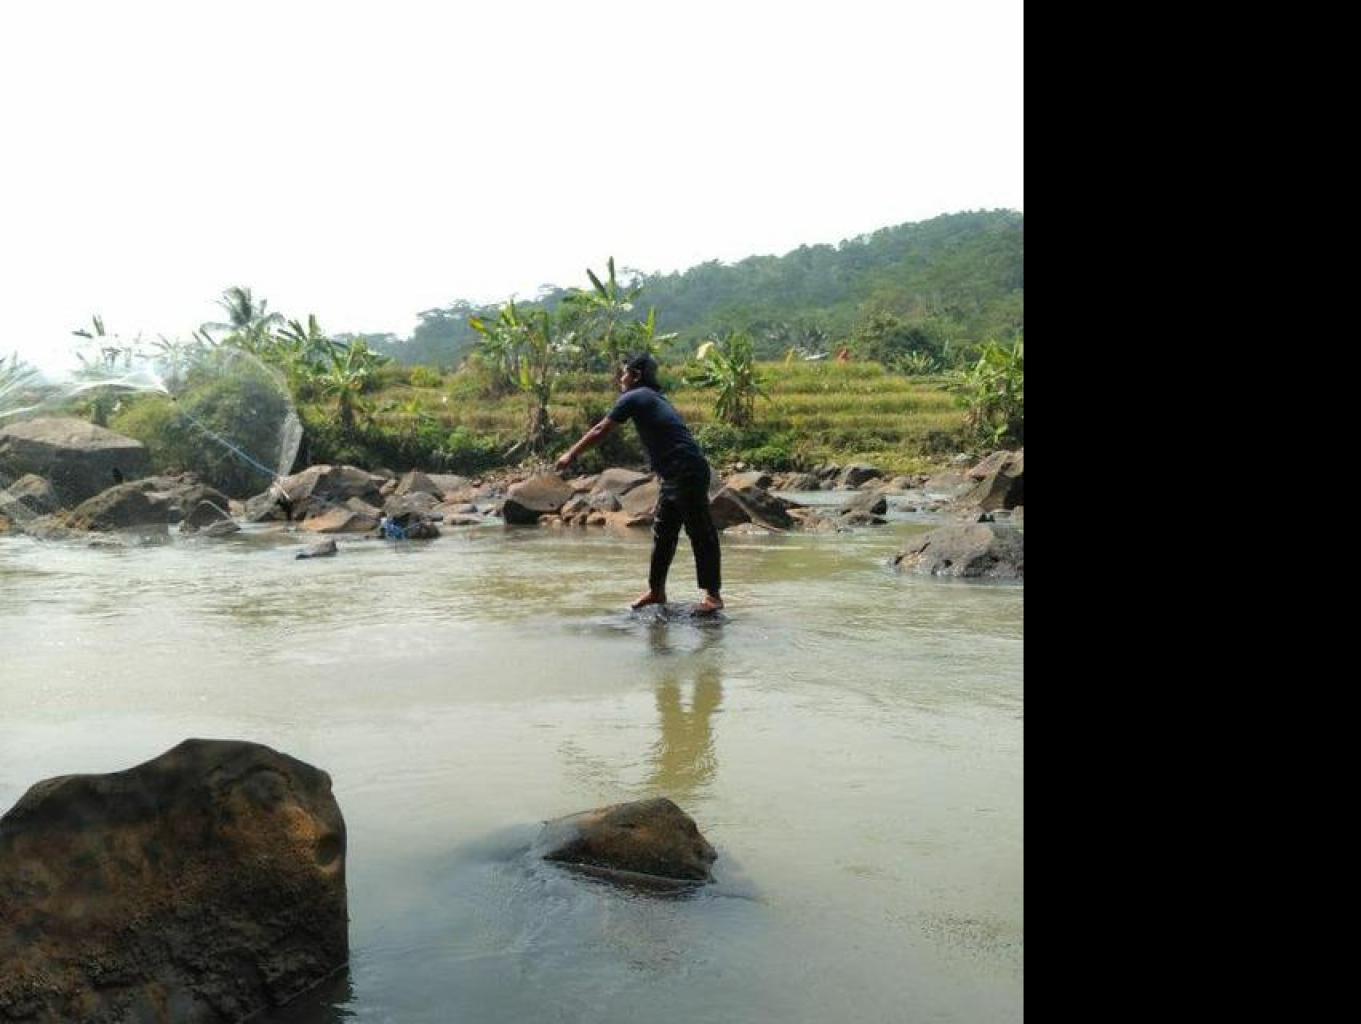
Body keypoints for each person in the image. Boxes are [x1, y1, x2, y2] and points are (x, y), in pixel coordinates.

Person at [555, 353, 724, 614]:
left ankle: (713, 596)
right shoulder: (651, 397)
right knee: (663, 533)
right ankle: (656, 591)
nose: (621, 378)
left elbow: (601, 429)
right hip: (674, 474)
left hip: (686, 470)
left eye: (624, 373)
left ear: (635, 376)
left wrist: (571, 454)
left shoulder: (635, 396)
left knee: (700, 532)